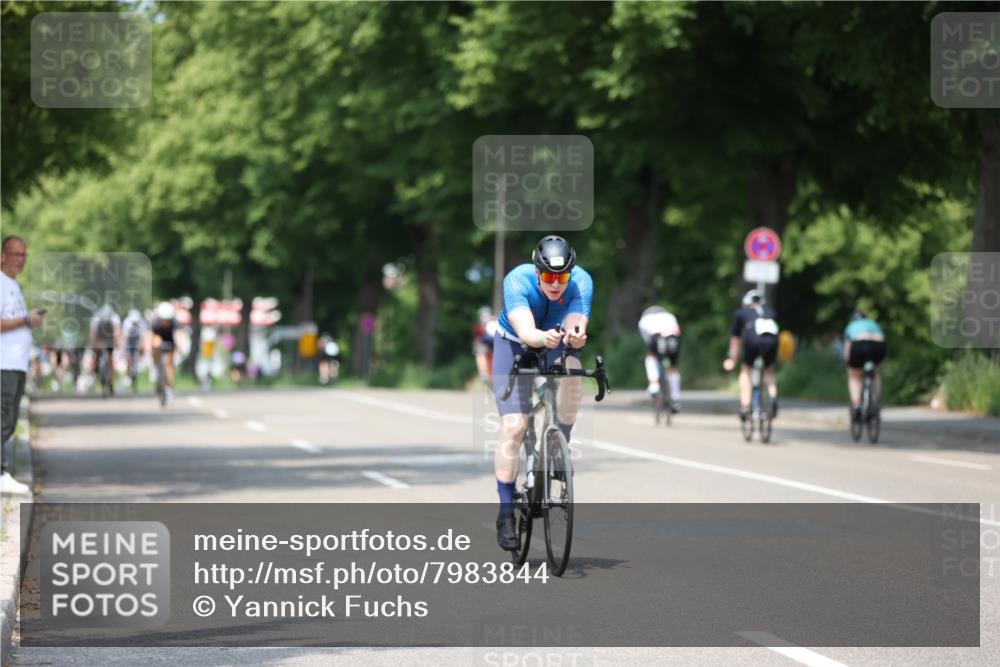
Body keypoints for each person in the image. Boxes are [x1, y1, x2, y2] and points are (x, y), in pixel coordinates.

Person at [492, 235, 591, 551]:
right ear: (537, 273)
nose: (556, 283)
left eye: (562, 276)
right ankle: (506, 510)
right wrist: (541, 337)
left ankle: (560, 445)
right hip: (515, 342)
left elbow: (575, 325)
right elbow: (527, 332)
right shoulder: (517, 280)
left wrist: (575, 338)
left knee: (574, 370)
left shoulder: (581, 283)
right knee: (515, 426)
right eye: (549, 276)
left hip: (555, 341)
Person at [1, 235, 44, 494]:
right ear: (2, 256)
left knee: (10, 417)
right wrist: (27, 320)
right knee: (3, 417)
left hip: (16, 363)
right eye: (16, 254)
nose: (21, 260)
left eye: (24, 255)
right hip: (3, 362)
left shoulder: (13, 285)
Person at [723, 289, 779, 421]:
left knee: (746, 370)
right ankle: (772, 398)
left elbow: (735, 340)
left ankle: (745, 406)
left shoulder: (741, 313)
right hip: (772, 341)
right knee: (768, 371)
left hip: (753, 340)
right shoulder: (770, 312)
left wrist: (732, 359)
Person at [843, 310, 886, 421]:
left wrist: (849, 364)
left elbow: (847, 350)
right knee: (875, 372)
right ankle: (876, 403)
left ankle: (857, 404)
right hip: (879, 346)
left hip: (859, 345)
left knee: (855, 376)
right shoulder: (873, 323)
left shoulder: (851, 325)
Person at [637, 305, 682, 412]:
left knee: (651, 357)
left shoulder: (644, 320)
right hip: (672, 338)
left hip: (657, 338)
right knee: (673, 368)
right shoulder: (670, 316)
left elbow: (647, 340)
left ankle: (654, 385)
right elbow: (678, 331)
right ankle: (675, 398)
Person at [149, 301, 180, 404]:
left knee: (169, 365)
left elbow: (179, 335)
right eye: (164, 320)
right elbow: (150, 336)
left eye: (168, 320)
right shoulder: (155, 322)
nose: (166, 322)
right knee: (156, 345)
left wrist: (180, 347)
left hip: (170, 340)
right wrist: (150, 347)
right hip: (158, 339)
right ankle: (156, 367)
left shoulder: (174, 322)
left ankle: (169, 389)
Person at [88, 303, 121, 394]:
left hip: (109, 339)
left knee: (110, 359)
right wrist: (93, 345)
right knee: (97, 353)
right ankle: (97, 368)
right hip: (100, 338)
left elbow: (117, 332)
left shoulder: (115, 318)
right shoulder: (96, 318)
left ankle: (111, 381)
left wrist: (117, 343)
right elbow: (93, 333)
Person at [473, 306, 498, 384]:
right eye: (484, 316)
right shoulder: (479, 328)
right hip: (486, 348)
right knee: (480, 352)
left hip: (497, 347)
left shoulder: (496, 323)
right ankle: (484, 374)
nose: (486, 318)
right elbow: (477, 342)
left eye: (487, 316)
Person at [122, 308, 147, 389]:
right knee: (129, 358)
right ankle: (128, 373)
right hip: (129, 342)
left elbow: (143, 336)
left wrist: (142, 346)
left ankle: (137, 367)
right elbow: (125, 337)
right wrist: (125, 348)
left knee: (139, 354)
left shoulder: (142, 322)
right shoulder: (127, 322)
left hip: (137, 340)